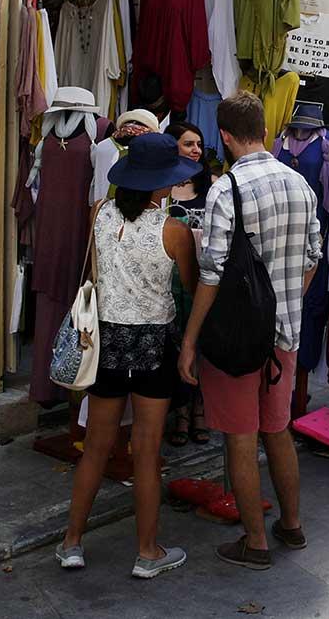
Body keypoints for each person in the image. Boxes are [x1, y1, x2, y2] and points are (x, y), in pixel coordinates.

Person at [178, 91, 322, 570]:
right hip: (284, 335)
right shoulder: (300, 184)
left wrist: (191, 339)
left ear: (223, 135)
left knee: (241, 437)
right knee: (277, 430)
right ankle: (293, 524)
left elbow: (212, 273)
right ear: (264, 129)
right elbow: (312, 258)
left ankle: (256, 542)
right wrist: (288, 302)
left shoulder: (226, 189)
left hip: (239, 338)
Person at [58, 133, 200, 578]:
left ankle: (71, 543)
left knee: (95, 449)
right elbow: (191, 288)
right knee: (146, 451)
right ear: (161, 183)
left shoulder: (98, 213)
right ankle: (147, 551)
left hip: (105, 343)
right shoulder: (175, 232)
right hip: (153, 345)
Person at [164, 121, 211, 446]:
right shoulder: (163, 189)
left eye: (198, 144)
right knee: (177, 345)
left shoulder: (212, 186)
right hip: (170, 282)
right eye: (188, 144)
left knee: (202, 346)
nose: (196, 150)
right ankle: (180, 412)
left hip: (204, 280)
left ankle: (200, 412)